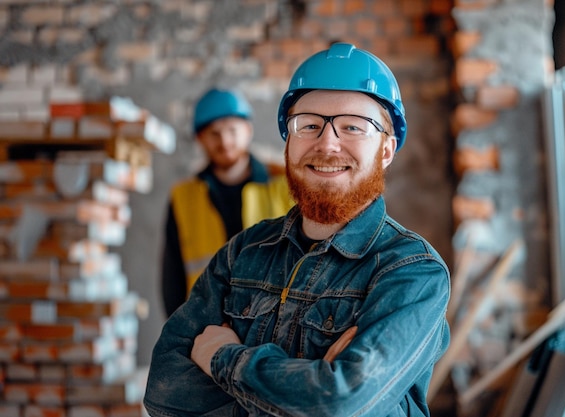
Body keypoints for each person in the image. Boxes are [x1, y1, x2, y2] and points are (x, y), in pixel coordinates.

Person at [145, 43, 450, 417]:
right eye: (308, 124)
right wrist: (312, 384)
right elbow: (164, 392)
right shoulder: (242, 253)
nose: (327, 143)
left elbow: (342, 405)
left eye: (353, 126)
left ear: (386, 150)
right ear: (288, 142)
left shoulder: (412, 272)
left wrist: (223, 357)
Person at [161, 87, 293, 316]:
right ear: (200, 139)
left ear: (248, 130)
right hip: (206, 325)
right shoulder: (183, 197)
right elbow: (172, 277)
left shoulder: (285, 185)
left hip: (274, 322)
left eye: (232, 130)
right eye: (214, 133)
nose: (224, 141)